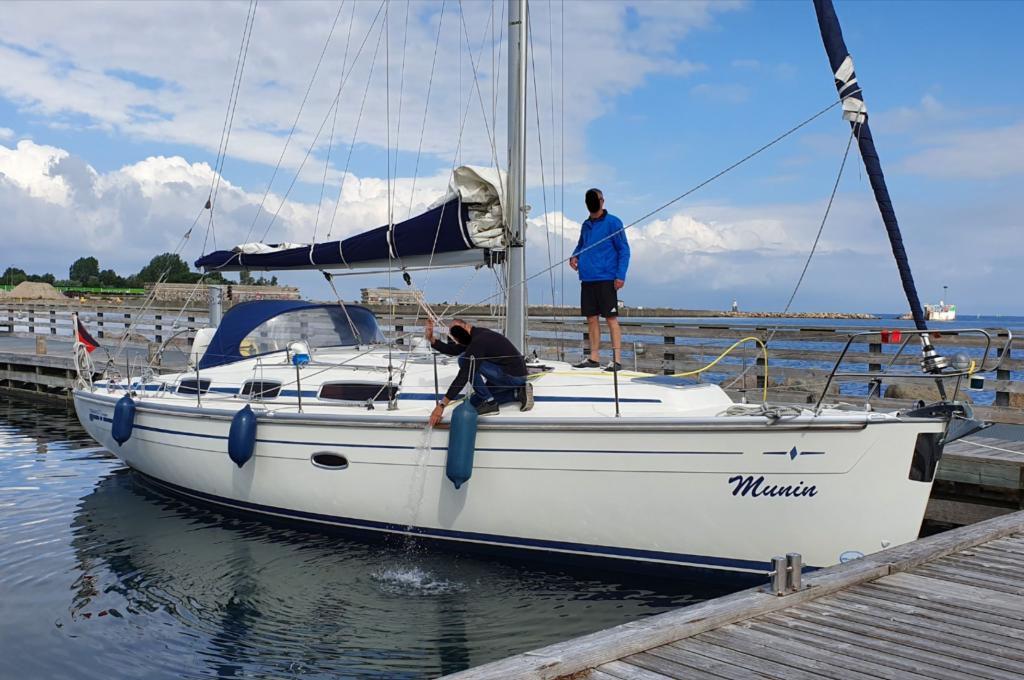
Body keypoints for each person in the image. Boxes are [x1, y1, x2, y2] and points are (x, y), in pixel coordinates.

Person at [426, 318, 534, 426]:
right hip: (513, 376)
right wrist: (432, 339)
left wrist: (442, 405)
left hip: (511, 376)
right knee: (474, 402)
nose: (455, 338)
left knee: (465, 360)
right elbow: (454, 350)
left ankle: (489, 403)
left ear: (466, 327)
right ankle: (517, 394)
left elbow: (464, 374)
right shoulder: (476, 335)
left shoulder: (479, 340)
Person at [568, 188, 630, 371]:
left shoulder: (613, 223)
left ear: (603, 201)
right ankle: (594, 358)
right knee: (591, 319)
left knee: (611, 318)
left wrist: (621, 275)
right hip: (587, 278)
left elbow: (624, 250)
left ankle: (616, 360)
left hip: (606, 277)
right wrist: (574, 256)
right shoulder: (585, 225)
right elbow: (581, 245)